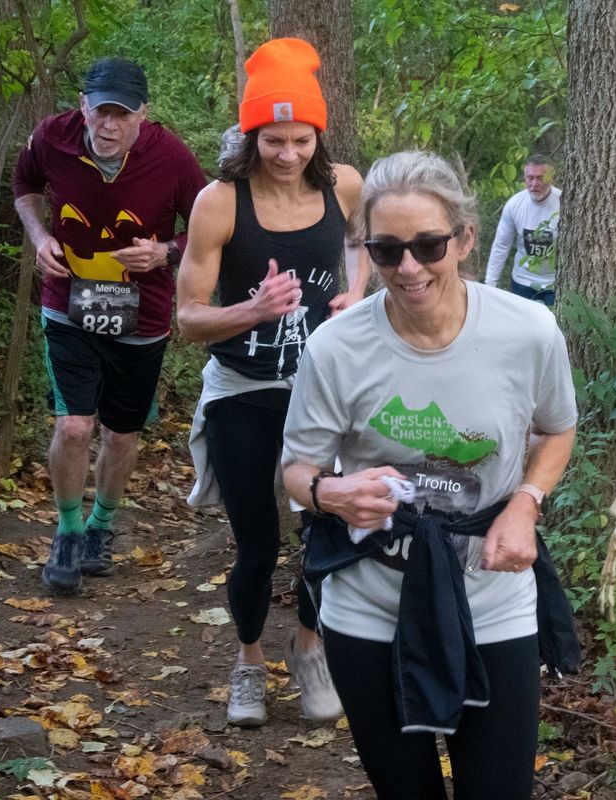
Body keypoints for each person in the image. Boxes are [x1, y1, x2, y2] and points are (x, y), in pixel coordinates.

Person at [282, 150, 580, 800]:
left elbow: (558, 428)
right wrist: (330, 494)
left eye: (428, 245)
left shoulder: (528, 331)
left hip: (492, 596)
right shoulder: (336, 348)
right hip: (369, 602)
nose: (409, 268)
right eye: (386, 252)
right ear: (367, 249)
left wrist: (525, 503)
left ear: (466, 239)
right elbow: (297, 470)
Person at [178, 38, 369, 728]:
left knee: (330, 530)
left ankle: (310, 646)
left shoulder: (343, 185)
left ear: (317, 135)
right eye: (272, 139)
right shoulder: (219, 202)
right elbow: (188, 317)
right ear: (250, 134)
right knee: (258, 541)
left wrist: (354, 292)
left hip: (324, 389)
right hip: (242, 387)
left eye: (299, 139)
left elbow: (360, 244)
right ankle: (249, 662)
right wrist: (252, 310)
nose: (286, 154)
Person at [13, 58, 206, 597]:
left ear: (143, 115)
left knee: (122, 435)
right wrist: (38, 237)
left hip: (141, 316)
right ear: (83, 107)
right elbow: (24, 183)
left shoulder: (171, 157)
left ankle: (101, 525)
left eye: (122, 114)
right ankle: (69, 532)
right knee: (74, 426)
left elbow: (211, 226)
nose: (109, 125)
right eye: (101, 112)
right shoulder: (51, 137)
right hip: (67, 303)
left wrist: (166, 252)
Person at [483, 153, 561, 306]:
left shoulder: (564, 202)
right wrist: (489, 285)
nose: (534, 184)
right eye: (530, 178)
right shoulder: (515, 204)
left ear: (552, 178)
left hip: (554, 283)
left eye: (540, 177)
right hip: (522, 282)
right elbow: (501, 245)